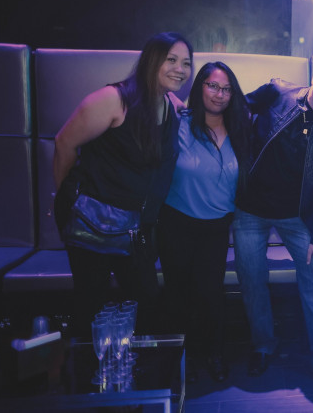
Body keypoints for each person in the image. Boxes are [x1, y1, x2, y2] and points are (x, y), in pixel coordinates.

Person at [232, 54, 313, 396]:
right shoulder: (278, 91)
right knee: (252, 279)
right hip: (249, 209)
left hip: (296, 216)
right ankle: (263, 345)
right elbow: (234, 109)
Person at [53, 32, 192, 335]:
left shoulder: (170, 104)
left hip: (138, 231)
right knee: (91, 308)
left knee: (146, 306)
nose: (180, 69)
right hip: (94, 228)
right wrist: (68, 200)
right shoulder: (113, 99)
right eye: (171, 60)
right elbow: (64, 143)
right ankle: (91, 364)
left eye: (186, 63)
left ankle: (131, 364)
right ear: (151, 60)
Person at [156, 62, 251, 382]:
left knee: (210, 294)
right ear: (199, 87)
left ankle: (213, 353)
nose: (219, 94)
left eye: (226, 89)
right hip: (176, 223)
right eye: (212, 86)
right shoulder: (177, 122)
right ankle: (176, 358)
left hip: (216, 227)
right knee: (177, 294)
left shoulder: (241, 129)